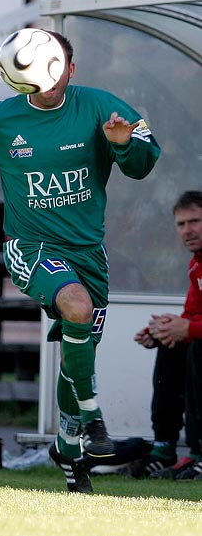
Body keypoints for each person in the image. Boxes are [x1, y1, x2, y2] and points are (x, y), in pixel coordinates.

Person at [0, 30, 160, 493]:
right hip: (31, 248)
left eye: (56, 65)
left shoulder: (102, 107)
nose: (46, 76)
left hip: (88, 254)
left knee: (76, 354)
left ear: (70, 68)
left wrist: (125, 144)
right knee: (77, 307)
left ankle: (68, 449)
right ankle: (94, 419)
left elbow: (144, 165)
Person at [132, 191, 202, 480]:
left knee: (197, 345)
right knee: (171, 344)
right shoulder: (196, 264)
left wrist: (189, 329)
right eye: (181, 224)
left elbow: (194, 325)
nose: (188, 230)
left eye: (196, 221)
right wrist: (160, 330)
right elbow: (192, 315)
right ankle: (164, 447)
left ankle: (198, 452)